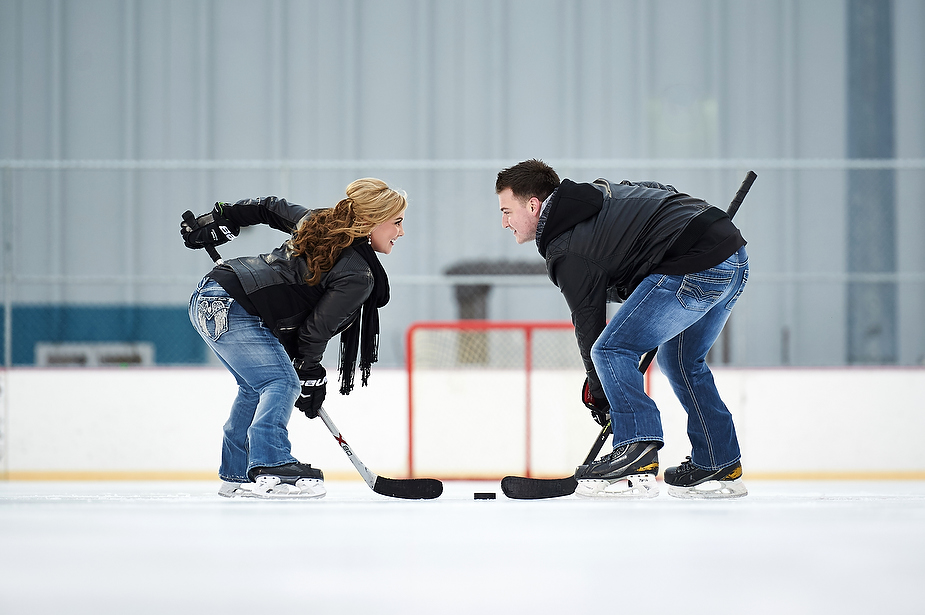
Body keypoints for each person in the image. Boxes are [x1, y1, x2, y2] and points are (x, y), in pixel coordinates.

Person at [496, 159, 748, 499]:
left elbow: (589, 324)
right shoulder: (600, 197)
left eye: (507, 211)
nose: (504, 222)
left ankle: (635, 451)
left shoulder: (567, 246)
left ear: (533, 204)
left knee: (611, 349)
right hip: (730, 256)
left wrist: (601, 395)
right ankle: (719, 460)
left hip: (694, 264)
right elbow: (660, 192)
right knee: (683, 363)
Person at [182, 178, 407, 499]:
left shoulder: (318, 223)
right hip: (235, 305)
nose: (401, 232)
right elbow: (315, 330)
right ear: (372, 221)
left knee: (256, 387)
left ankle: (238, 473)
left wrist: (224, 218)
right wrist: (309, 374)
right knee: (281, 382)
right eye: (397, 223)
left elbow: (268, 207)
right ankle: (273, 466)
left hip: (209, 297)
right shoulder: (358, 274)